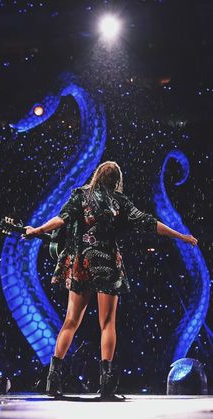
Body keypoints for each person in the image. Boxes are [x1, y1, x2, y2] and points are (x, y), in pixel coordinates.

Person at [24, 161, 198, 399]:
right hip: (107, 264)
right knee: (107, 324)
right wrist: (181, 236)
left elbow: (61, 219)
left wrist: (37, 230)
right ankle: (106, 386)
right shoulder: (120, 202)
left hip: (81, 263)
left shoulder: (80, 196)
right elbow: (150, 223)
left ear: (97, 176)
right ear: (117, 181)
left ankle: (52, 382)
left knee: (70, 321)